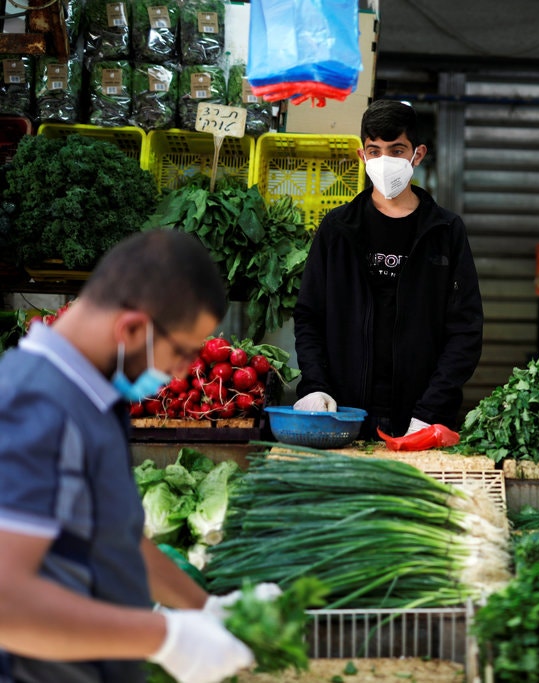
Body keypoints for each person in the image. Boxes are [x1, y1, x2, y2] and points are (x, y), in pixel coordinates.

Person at [0, 230, 254, 683]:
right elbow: (8, 604)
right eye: (180, 351)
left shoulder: (96, 397)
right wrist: (166, 637)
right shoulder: (34, 405)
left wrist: (207, 609)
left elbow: (115, 537)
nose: (182, 370)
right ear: (132, 328)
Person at [292, 99, 484, 439]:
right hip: (344, 412)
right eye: (374, 150)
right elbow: (310, 315)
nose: (385, 161)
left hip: (421, 415)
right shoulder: (338, 228)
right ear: (362, 156)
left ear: (417, 155)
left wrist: (431, 410)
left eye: (396, 150)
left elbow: (465, 330)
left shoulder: (445, 231)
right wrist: (315, 386)